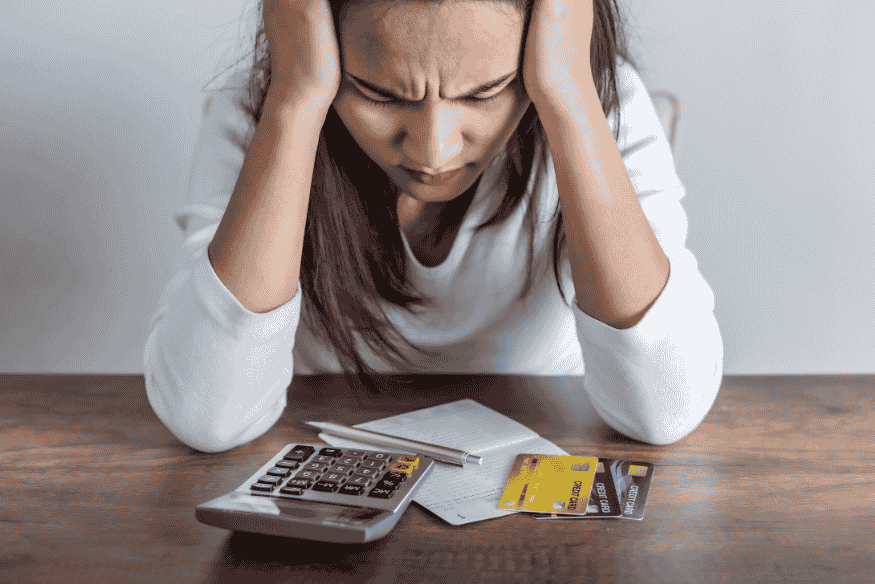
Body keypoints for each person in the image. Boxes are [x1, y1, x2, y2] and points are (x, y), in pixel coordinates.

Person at [144, 0, 723, 453]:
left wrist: (569, 98)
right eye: (377, 93)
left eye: (484, 93)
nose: (433, 151)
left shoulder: (600, 102)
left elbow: (664, 411)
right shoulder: (259, 112)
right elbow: (208, 417)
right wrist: (296, 103)